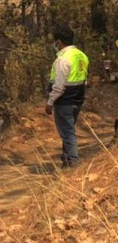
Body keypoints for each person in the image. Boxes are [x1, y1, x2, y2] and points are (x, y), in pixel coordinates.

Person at [45, 24, 89, 168]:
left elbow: (59, 86)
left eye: (55, 41)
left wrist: (50, 102)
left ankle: (73, 163)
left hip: (64, 101)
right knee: (68, 130)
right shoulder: (82, 55)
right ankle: (66, 159)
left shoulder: (62, 59)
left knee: (67, 133)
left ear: (59, 42)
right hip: (78, 99)